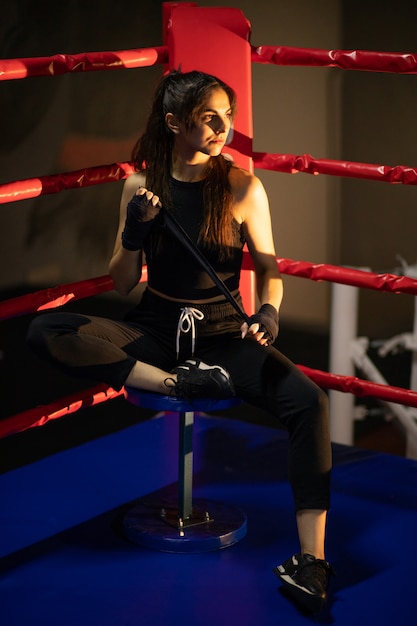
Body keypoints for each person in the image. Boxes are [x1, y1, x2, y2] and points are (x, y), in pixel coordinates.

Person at [27, 69, 334, 613]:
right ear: (174, 122)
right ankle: (175, 383)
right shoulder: (139, 186)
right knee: (48, 329)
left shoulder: (242, 186)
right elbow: (122, 281)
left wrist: (268, 310)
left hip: (220, 335)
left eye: (228, 116)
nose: (223, 128)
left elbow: (269, 268)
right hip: (155, 328)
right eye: (209, 118)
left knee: (310, 402)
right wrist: (133, 231)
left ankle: (312, 561)